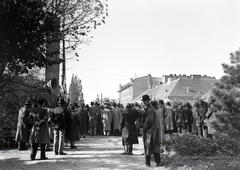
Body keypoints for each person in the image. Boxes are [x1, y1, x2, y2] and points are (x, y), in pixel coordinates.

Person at [142, 95, 163, 167]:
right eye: (143, 101)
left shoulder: (150, 109)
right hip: (152, 129)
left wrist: (145, 128)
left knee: (148, 146)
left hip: (150, 130)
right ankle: (158, 162)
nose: (144, 102)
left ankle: (148, 162)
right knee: (154, 146)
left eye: (145, 101)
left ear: (148, 101)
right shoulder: (149, 108)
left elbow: (149, 121)